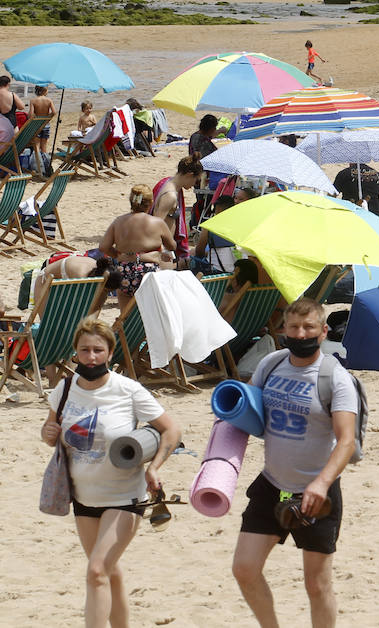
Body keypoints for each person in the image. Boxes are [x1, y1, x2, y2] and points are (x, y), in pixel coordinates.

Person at [41, 318, 181, 628]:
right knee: (107, 571)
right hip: (83, 496)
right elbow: (50, 432)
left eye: (98, 350)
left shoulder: (128, 390)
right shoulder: (64, 389)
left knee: (96, 572)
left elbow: (171, 429)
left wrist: (155, 467)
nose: (91, 357)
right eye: (84, 350)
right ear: (75, 353)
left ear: (110, 352)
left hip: (124, 496)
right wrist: (48, 432)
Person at [233, 299, 358, 628]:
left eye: (309, 328)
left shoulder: (336, 378)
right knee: (244, 569)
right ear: (283, 329)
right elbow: (247, 407)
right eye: (293, 327)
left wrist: (321, 483)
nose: (300, 334)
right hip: (272, 484)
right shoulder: (271, 364)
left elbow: (346, 441)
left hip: (317, 494)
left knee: (317, 585)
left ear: (323, 332)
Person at [99, 185, 176, 310]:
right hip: (148, 273)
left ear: (131, 201)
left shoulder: (118, 221)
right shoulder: (157, 222)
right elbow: (172, 245)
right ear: (151, 203)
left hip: (124, 270)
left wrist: (119, 255)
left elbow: (103, 247)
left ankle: (126, 326)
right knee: (151, 311)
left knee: (125, 312)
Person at [150, 157, 202, 263]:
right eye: (196, 181)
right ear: (190, 175)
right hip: (162, 249)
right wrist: (164, 249)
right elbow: (155, 224)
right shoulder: (170, 195)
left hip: (165, 246)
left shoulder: (167, 183)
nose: (194, 185)